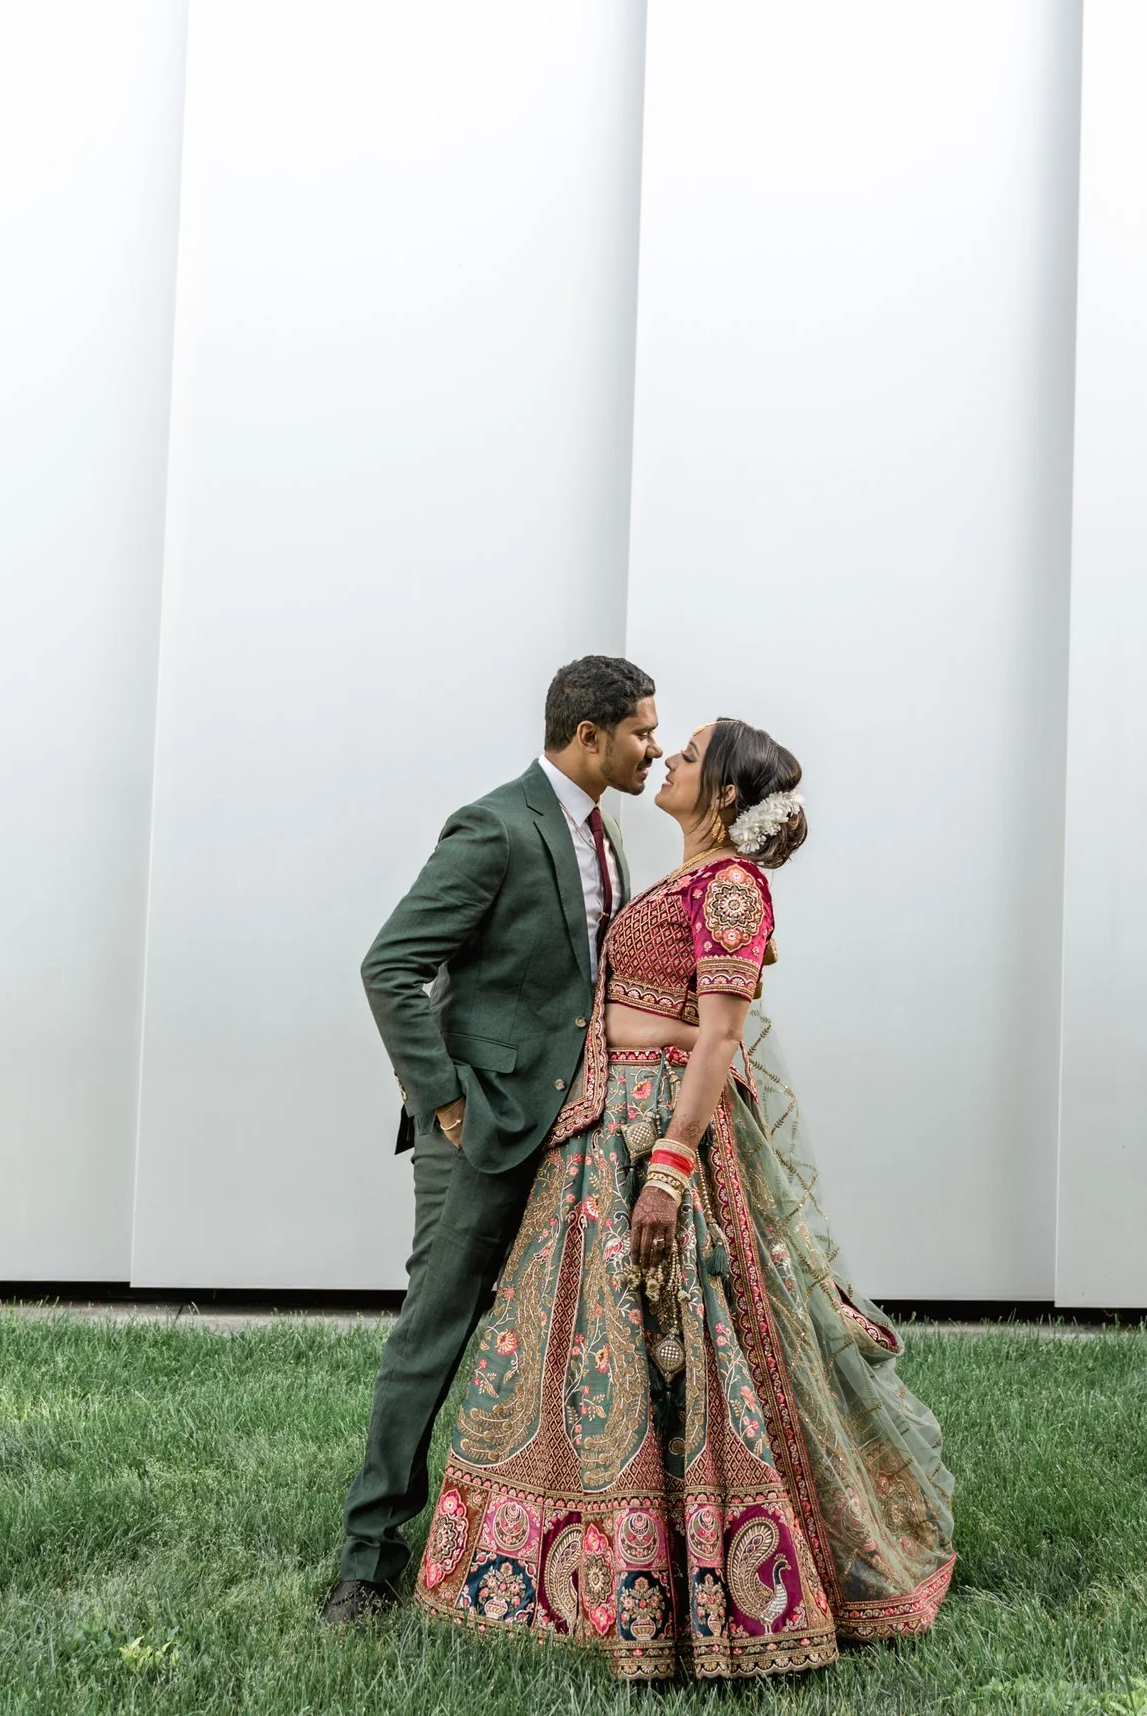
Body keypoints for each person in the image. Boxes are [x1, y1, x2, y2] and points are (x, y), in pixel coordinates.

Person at [411, 717, 956, 1679]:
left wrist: (668, 1167)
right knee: (598, 1342)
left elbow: (717, 1037)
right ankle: (587, 1562)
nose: (668, 757)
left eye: (691, 752)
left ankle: (708, 1574)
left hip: (660, 1132)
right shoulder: (677, 875)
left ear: (728, 794)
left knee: (687, 1343)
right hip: (602, 1130)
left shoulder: (732, 886)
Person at [321, 655, 663, 1623]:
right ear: (588, 736)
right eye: (640, 730)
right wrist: (446, 1104)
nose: (653, 746)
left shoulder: (603, 832)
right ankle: (366, 1556)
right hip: (482, 1131)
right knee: (433, 1332)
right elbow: (390, 965)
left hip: (573, 1131)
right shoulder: (494, 826)